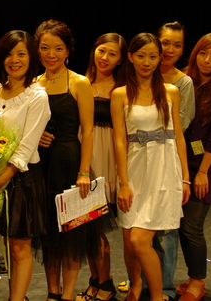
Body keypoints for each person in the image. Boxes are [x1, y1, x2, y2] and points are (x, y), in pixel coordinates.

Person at [111, 33, 191, 301]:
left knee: (139, 240)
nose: (147, 62)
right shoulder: (120, 94)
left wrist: (185, 178)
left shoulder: (171, 91)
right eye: (141, 56)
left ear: (159, 59)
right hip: (135, 171)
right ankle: (136, 285)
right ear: (131, 57)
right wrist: (124, 183)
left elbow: (179, 137)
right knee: (129, 239)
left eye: (153, 56)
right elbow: (120, 141)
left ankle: (157, 296)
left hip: (164, 170)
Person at [0, 30, 51, 301]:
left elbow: (27, 147)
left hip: (21, 180)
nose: (14, 60)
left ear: (32, 58)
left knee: (19, 248)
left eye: (21, 54)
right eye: (8, 54)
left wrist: (1, 178)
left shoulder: (37, 96)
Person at [35, 20, 99, 301]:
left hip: (70, 161)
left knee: (72, 233)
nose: (51, 54)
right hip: (42, 165)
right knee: (48, 233)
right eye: (45, 48)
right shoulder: (34, 84)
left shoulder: (79, 82)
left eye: (58, 48)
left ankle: (69, 294)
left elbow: (88, 130)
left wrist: (84, 171)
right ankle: (53, 292)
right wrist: (36, 136)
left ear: (68, 50)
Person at [175, 33, 211, 301]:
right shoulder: (185, 80)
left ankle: (198, 281)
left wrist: (201, 172)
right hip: (178, 161)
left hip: (203, 164)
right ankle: (192, 276)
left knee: (192, 226)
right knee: (179, 226)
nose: (207, 60)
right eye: (203, 53)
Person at [76, 33, 127, 301]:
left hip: (107, 160)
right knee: (86, 227)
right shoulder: (81, 82)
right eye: (101, 50)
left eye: (112, 54)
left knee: (96, 228)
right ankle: (95, 281)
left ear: (120, 60)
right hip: (82, 156)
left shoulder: (122, 87)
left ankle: (105, 283)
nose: (104, 58)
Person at [149, 22, 195, 299]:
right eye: (165, 42)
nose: (170, 49)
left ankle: (164, 287)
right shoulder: (140, 73)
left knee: (166, 229)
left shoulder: (183, 83)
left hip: (167, 157)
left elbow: (182, 124)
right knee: (140, 227)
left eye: (177, 45)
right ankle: (141, 282)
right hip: (139, 158)